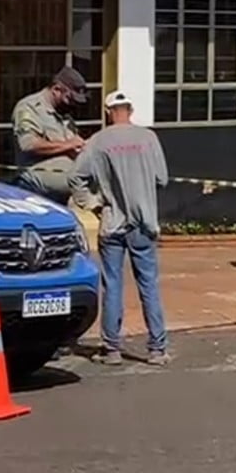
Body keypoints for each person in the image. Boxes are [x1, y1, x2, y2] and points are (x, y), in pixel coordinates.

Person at [70, 91, 170, 366]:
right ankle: (157, 349)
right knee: (148, 284)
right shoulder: (149, 138)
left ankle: (111, 348)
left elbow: (75, 177)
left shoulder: (98, 141)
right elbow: (162, 179)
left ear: (108, 112)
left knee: (112, 285)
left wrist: (92, 203)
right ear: (131, 110)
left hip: (112, 223)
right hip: (144, 223)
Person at [12, 66, 88, 205]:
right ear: (56, 89)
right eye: (69, 99)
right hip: (36, 177)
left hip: (67, 175)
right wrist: (68, 145)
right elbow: (28, 144)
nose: (72, 105)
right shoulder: (30, 107)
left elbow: (71, 147)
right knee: (85, 185)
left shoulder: (65, 116)